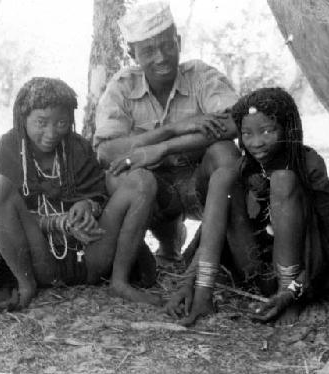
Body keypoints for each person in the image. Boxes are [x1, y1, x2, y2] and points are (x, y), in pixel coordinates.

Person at [0, 77, 159, 313]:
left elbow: (100, 193)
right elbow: (7, 215)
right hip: (40, 261)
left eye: (61, 122)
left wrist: (88, 206)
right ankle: (26, 285)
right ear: (22, 119)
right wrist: (58, 223)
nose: (51, 132)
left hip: (89, 255)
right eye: (41, 122)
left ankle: (120, 282)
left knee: (142, 180)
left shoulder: (77, 146)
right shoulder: (10, 146)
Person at [165, 87, 329, 326]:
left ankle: (287, 295)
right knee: (223, 177)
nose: (256, 143)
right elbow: (212, 230)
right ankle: (204, 295)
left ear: (288, 128)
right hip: (254, 270)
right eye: (247, 134)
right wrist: (189, 283)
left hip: (301, 278)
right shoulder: (244, 167)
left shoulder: (309, 164)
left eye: (267, 131)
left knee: (283, 180)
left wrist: (291, 292)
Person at [94, 1, 245, 265]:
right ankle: (159, 247)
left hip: (200, 183)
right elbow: (106, 151)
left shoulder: (200, 75)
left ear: (179, 41)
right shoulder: (122, 87)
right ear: (133, 54)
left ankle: (216, 254)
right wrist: (171, 130)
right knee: (119, 174)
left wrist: (164, 148)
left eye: (167, 45)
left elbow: (234, 122)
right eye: (149, 50)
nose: (161, 57)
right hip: (155, 190)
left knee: (225, 152)